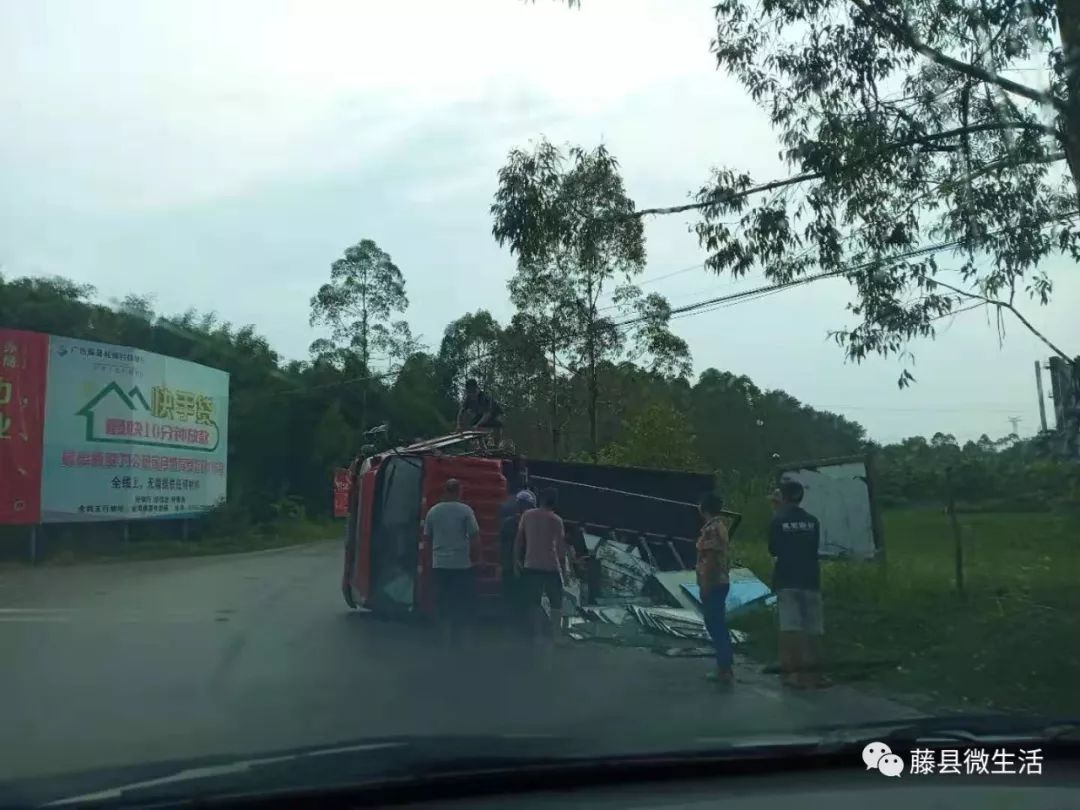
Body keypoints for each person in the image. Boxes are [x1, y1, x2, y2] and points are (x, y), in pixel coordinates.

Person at [769, 479, 826, 689]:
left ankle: (792, 675)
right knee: (814, 629)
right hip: (811, 579)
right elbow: (813, 547)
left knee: (790, 629)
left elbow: (773, 550)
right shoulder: (813, 521)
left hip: (787, 579)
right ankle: (816, 675)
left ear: (783, 497)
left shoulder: (777, 521)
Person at [422, 478, 481, 650]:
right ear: (458, 491)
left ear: (445, 490)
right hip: (461, 564)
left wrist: (427, 562)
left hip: (439, 563)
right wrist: (476, 558)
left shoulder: (433, 511)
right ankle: (457, 637)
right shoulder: (465, 511)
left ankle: (441, 635)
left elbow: (426, 540)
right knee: (460, 601)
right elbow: (475, 537)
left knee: (441, 600)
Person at [514, 487, 569, 649]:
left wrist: (516, 560)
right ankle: (556, 636)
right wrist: (564, 571)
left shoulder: (527, 515)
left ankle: (537, 636)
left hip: (531, 564)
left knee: (534, 602)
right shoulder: (556, 520)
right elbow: (560, 548)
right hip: (550, 566)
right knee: (556, 602)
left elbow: (519, 540)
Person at [696, 492, 734, 688]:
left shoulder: (711, 529)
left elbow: (710, 558)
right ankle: (726, 665)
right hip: (722, 580)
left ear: (704, 508)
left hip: (714, 581)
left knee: (715, 624)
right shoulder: (722, 526)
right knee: (718, 623)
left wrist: (705, 584)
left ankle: (724, 669)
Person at [499, 489, 536, 638]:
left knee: (511, 598)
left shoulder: (508, 522)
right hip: (525, 566)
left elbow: (501, 545)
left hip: (512, 565)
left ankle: (512, 629)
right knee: (523, 599)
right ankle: (521, 629)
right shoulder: (531, 524)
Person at [457, 378, 504, 444]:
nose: (472, 395)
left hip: (495, 414)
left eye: (473, 392)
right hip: (481, 414)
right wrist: (459, 425)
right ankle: (481, 442)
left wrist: (478, 425)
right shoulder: (468, 398)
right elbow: (461, 412)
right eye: (470, 393)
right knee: (473, 423)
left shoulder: (484, 397)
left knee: (498, 423)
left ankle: (497, 443)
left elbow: (487, 415)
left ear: (477, 389)